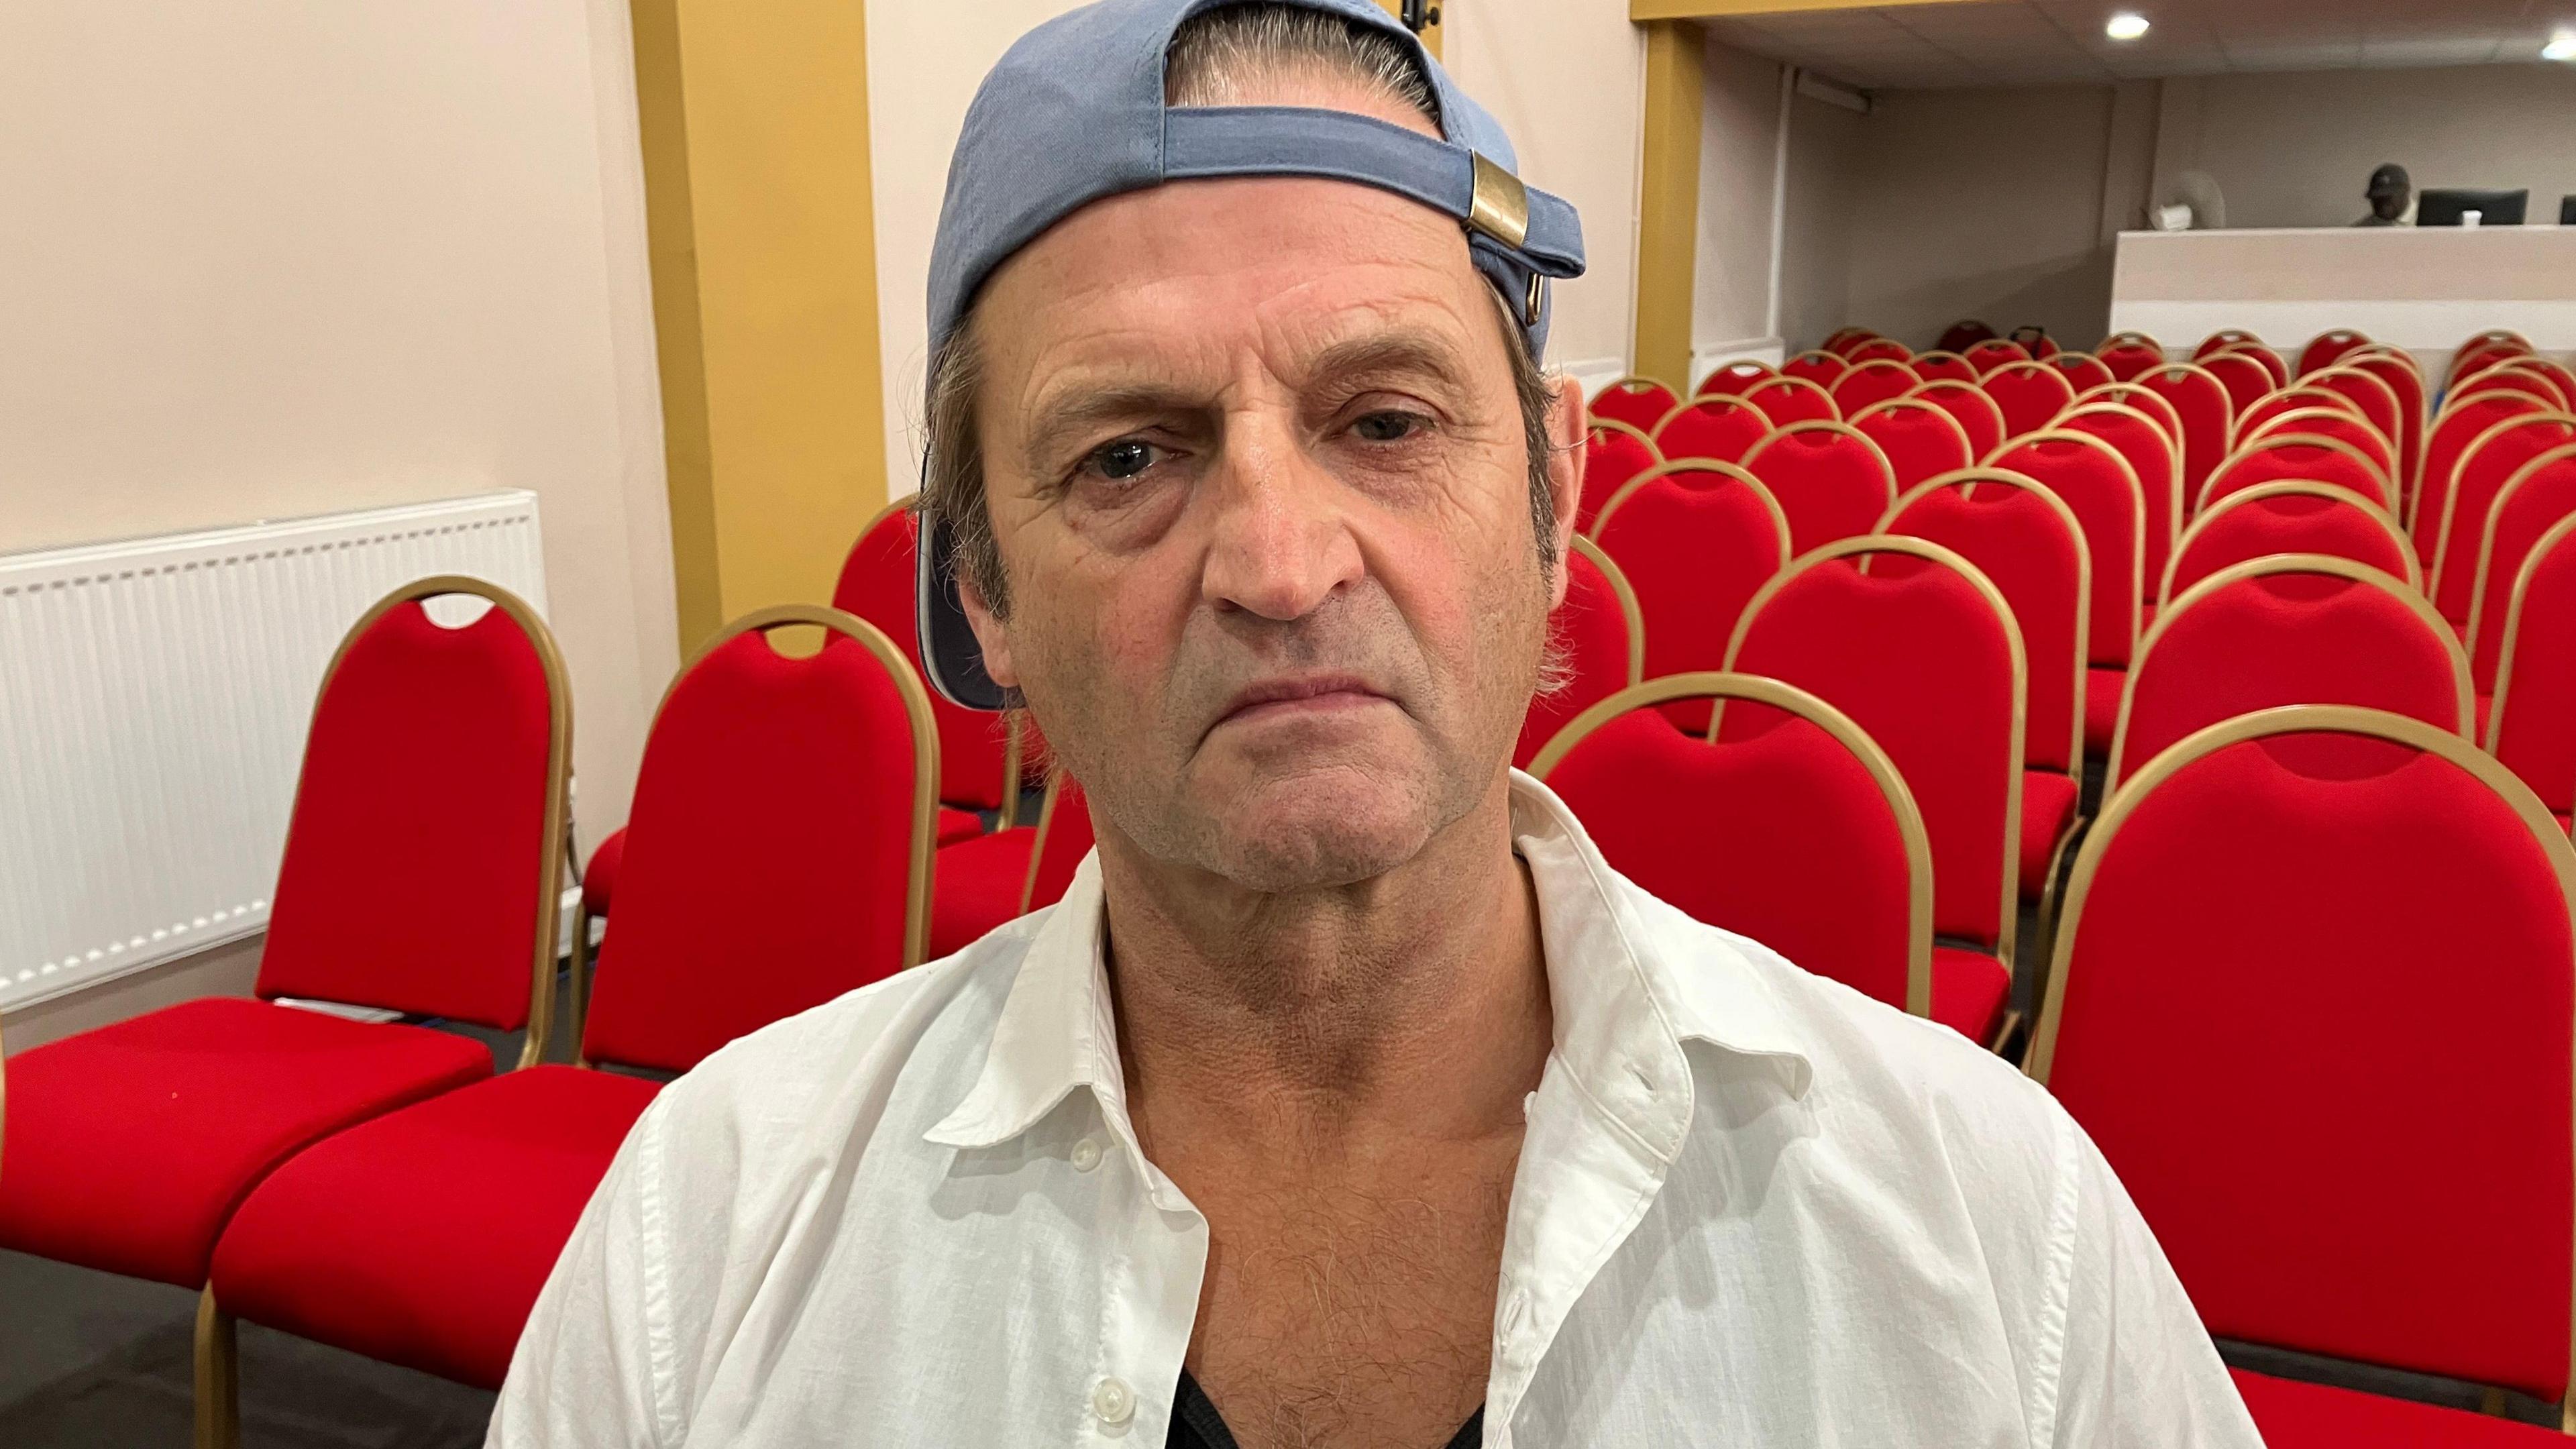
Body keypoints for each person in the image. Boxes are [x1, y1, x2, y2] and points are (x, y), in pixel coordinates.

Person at [490, 2, 2263, 1444]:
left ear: (1557, 491)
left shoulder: (1991, 1237)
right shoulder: (707, 1242)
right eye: (1128, 455)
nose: (1276, 560)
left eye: (1388, 420)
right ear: (984, 597)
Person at [2356, 162, 2412, 226]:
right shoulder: (2363, 229)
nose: (2382, 204)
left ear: (2406, 192)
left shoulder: (2423, 219)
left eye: (2388, 198)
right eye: (2377, 198)